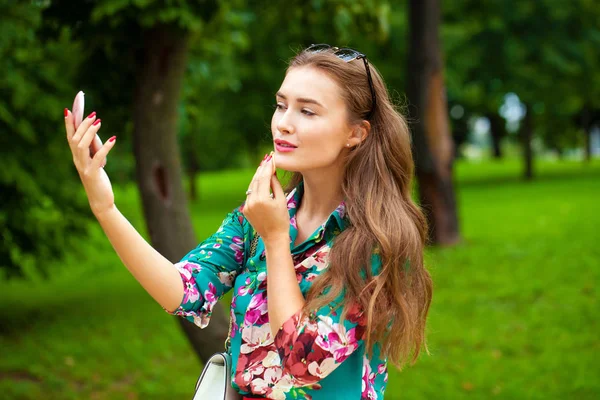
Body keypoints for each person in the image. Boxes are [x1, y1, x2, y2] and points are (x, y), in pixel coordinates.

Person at [63, 44, 433, 400]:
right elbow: (184, 290)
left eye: (307, 111)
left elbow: (304, 362)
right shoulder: (260, 217)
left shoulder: (377, 239)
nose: (283, 124)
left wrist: (276, 241)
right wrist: (106, 207)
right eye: (281, 105)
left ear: (356, 133)